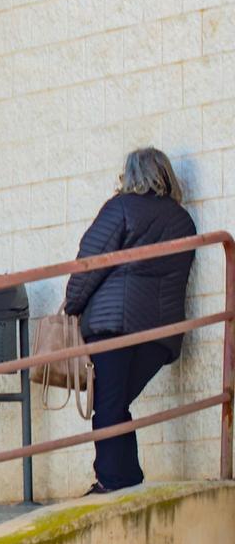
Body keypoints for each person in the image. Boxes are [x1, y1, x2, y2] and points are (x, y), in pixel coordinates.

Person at [64, 147, 196, 495]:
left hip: (114, 326)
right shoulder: (183, 221)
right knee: (116, 402)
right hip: (159, 334)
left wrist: (72, 304)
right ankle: (129, 478)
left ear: (131, 175)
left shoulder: (120, 208)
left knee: (108, 404)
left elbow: (90, 261)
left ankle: (110, 481)